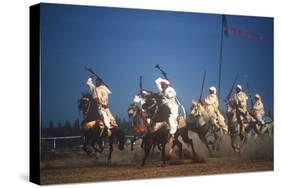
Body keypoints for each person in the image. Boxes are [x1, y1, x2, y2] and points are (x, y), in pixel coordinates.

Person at [155, 77, 179, 144]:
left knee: (171, 119)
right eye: (161, 84)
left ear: (167, 85)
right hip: (165, 109)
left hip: (173, 109)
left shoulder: (170, 89)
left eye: (163, 84)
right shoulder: (163, 89)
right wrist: (162, 78)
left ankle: (172, 135)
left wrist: (166, 94)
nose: (161, 85)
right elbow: (156, 82)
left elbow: (172, 95)